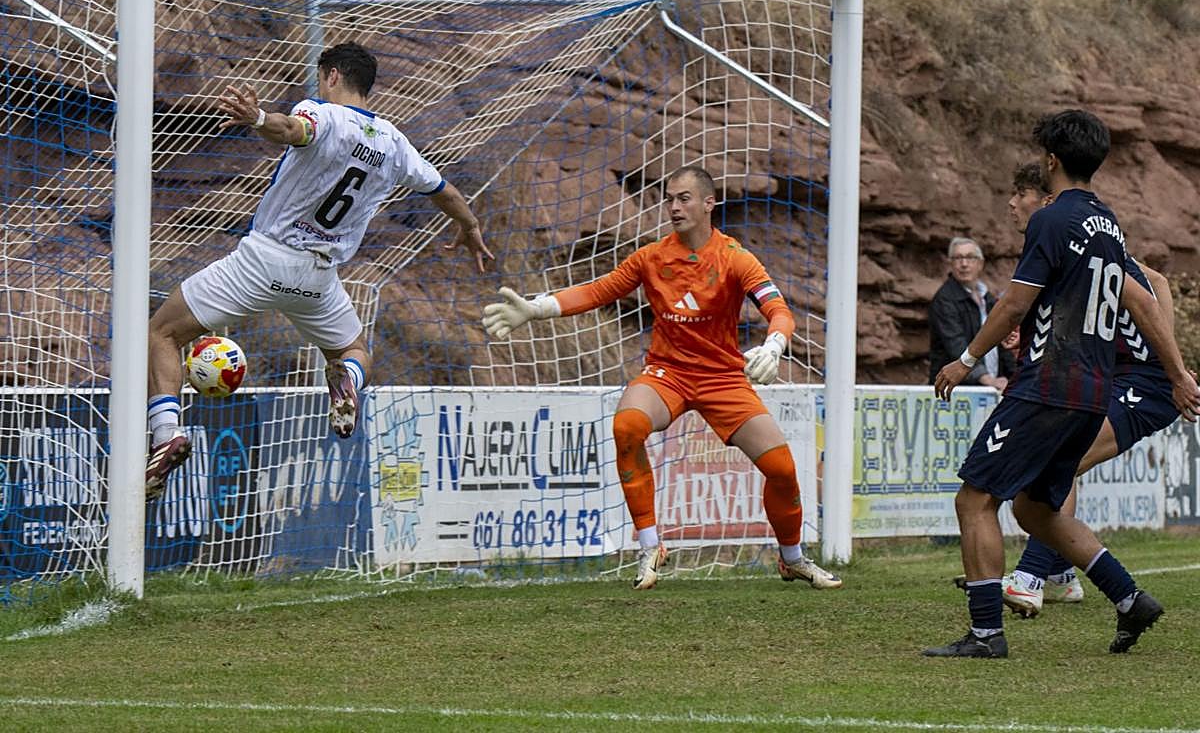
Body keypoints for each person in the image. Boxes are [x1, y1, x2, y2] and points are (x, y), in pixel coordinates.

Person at [144, 42, 493, 500]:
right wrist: (468, 225)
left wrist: (256, 119)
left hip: (263, 260)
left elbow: (293, 130)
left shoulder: (323, 114)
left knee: (162, 333)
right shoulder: (394, 143)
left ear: (330, 76)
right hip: (319, 279)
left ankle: (165, 433)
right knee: (353, 349)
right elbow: (444, 191)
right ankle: (347, 379)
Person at [481, 166, 841, 591]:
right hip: (667, 373)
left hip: (723, 379)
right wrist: (537, 309)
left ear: (709, 203)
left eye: (684, 198)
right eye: (669, 198)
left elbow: (779, 310)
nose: (673, 206)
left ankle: (792, 558)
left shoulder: (735, 258)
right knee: (626, 425)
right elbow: (598, 291)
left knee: (781, 468)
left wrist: (775, 345)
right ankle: (650, 545)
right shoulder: (651, 257)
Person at [925, 110, 1200, 659]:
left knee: (975, 499)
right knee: (1034, 509)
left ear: (1051, 161)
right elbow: (1144, 300)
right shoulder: (1108, 222)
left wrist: (965, 357)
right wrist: (1178, 374)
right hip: (1094, 389)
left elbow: (1014, 302)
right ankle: (1129, 599)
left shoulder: (1051, 221)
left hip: (1048, 384)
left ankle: (985, 635)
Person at [1000, 162, 1181, 617]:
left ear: (1044, 200)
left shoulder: (1081, 238)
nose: (1011, 203)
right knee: (1061, 465)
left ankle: (1030, 575)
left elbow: (1151, 284)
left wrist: (1170, 365)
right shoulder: (1069, 242)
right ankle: (1060, 574)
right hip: (1117, 379)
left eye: (1019, 193)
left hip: (1143, 383)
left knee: (1064, 463)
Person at [928, 237, 1015, 393]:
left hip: (991, 386)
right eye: (958, 258)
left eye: (970, 257)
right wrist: (987, 379)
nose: (964, 264)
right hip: (955, 390)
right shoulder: (945, 300)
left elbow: (1001, 340)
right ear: (950, 264)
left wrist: (1014, 377)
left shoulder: (987, 298)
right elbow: (956, 345)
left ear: (980, 264)